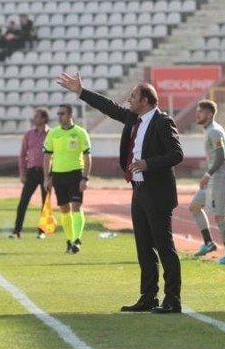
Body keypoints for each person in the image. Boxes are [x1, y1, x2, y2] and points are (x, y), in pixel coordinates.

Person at [58, 72, 184, 314]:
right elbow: (109, 107)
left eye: (134, 96)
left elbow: (177, 154)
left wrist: (149, 163)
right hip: (138, 189)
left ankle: (173, 299)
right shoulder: (133, 120)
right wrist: (82, 92)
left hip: (157, 192)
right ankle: (148, 296)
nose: (129, 99)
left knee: (164, 246)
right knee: (143, 246)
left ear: (145, 101)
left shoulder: (162, 121)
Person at [190, 100, 225, 265]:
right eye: (197, 111)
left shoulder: (214, 132)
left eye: (200, 112)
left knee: (220, 217)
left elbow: (220, 156)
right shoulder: (210, 130)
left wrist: (207, 174)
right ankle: (209, 243)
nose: (197, 114)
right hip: (213, 180)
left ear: (209, 114)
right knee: (194, 207)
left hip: (221, 179)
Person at [43, 103, 91, 255]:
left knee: (76, 206)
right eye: (58, 114)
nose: (59, 116)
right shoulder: (53, 133)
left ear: (71, 115)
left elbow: (87, 156)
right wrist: (47, 177)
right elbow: (47, 157)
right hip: (58, 175)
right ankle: (70, 241)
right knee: (64, 208)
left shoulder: (80, 132)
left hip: (76, 174)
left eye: (62, 113)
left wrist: (85, 178)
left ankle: (77, 239)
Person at [9, 108, 50, 240]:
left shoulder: (52, 134)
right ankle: (17, 230)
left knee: (45, 203)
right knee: (23, 202)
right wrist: (22, 173)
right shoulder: (28, 135)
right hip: (31, 171)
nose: (34, 119)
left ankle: (42, 231)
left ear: (44, 119)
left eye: (37, 116)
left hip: (47, 172)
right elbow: (22, 155)